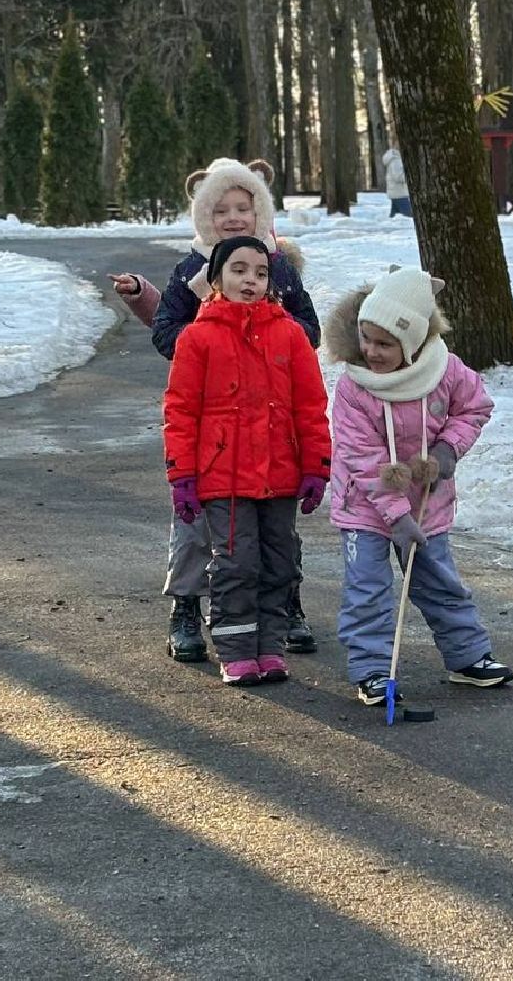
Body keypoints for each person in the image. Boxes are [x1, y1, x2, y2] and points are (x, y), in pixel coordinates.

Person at [107, 158, 322, 665]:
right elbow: (166, 332)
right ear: (204, 215)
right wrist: (213, 342)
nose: (233, 217)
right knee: (198, 528)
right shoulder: (192, 271)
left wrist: (272, 337)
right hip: (214, 426)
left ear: (259, 212)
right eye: (220, 209)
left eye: (243, 208)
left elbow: (308, 332)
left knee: (274, 531)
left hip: (271, 425)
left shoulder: (280, 268)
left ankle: (286, 607)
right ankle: (185, 606)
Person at [323, 265, 513, 706]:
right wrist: (395, 516)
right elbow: (361, 456)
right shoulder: (355, 387)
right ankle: (372, 669)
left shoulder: (446, 371)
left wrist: (448, 450)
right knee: (368, 587)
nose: (371, 351)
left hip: (427, 501)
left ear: (411, 343)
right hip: (367, 506)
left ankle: (468, 657)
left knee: (438, 580)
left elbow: (475, 408)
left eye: (384, 344)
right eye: (366, 338)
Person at [164, 235, 331, 686]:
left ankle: (270, 648)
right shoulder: (198, 338)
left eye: (260, 273)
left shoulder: (290, 335)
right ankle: (237, 651)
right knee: (236, 564)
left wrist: (316, 466)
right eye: (239, 270)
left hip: (280, 474)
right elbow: (180, 410)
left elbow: (310, 405)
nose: (250, 280)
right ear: (215, 278)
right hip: (223, 477)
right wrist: (182, 475)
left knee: (279, 564)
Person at [381, 146, 410, 218]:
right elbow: (398, 177)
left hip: (397, 192)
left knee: (394, 219)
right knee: (408, 216)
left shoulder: (395, 159)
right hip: (400, 193)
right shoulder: (396, 160)